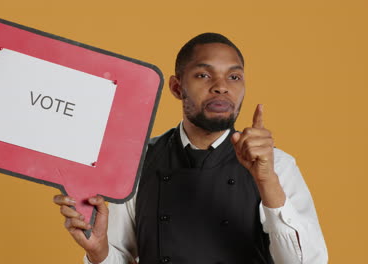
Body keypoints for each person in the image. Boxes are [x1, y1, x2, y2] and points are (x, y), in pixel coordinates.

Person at [53, 33, 328, 263]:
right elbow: (119, 256)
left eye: (234, 77)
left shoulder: (277, 166)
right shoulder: (136, 162)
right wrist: (99, 251)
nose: (221, 87)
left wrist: (266, 181)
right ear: (176, 87)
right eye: (203, 75)